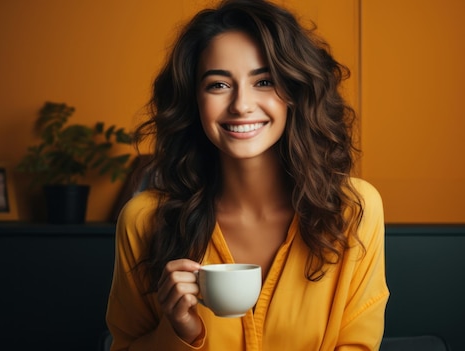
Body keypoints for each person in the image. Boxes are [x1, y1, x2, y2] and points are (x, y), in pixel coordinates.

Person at [106, 0, 388, 350]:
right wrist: (180, 331)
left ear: (295, 93)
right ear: (193, 100)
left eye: (265, 81)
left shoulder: (353, 209)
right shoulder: (144, 219)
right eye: (218, 85)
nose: (241, 104)